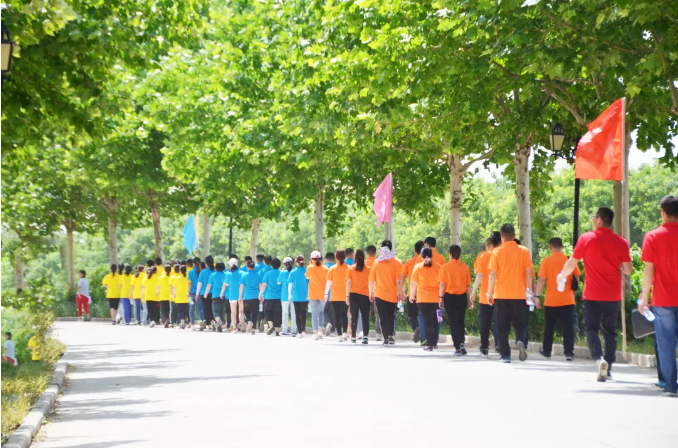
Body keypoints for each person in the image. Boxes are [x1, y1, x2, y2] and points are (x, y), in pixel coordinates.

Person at [558, 207, 632, 381]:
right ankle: (609, 366)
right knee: (610, 331)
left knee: (591, 328)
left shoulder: (586, 238)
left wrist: (562, 275)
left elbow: (572, 262)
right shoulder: (621, 242)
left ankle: (599, 359)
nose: (592, 220)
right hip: (613, 295)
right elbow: (628, 270)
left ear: (599, 219)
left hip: (592, 294)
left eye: (594, 217)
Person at [637, 196, 678, 396]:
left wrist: (644, 296)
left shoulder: (653, 237)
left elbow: (649, 269)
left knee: (666, 344)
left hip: (663, 299)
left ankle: (670, 386)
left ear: (662, 212)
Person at [486, 224, 535, 363]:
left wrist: (489, 292)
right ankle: (520, 341)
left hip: (501, 294)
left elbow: (493, 273)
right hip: (519, 293)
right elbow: (529, 272)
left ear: (502, 237)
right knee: (520, 323)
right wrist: (529, 290)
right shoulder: (524, 251)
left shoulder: (497, 252)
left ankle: (505, 355)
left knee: (502, 325)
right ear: (514, 236)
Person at [535, 238, 581, 361]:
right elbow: (577, 276)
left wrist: (537, 296)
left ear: (550, 248)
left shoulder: (546, 261)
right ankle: (569, 353)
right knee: (568, 327)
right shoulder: (569, 260)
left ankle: (547, 350)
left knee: (549, 327)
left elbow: (541, 280)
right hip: (568, 299)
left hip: (551, 300)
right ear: (562, 247)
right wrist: (573, 293)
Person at [369, 241, 405, 346]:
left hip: (379, 294)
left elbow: (371, 280)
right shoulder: (394, 263)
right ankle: (390, 336)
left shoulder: (376, 263)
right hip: (392, 295)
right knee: (391, 316)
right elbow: (398, 281)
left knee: (382, 316)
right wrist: (401, 293)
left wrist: (371, 293)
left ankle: (385, 338)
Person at [470, 233, 501, 355]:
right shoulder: (502, 254)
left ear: (490, 244)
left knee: (484, 322)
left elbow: (479, 275)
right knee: (500, 321)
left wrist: (473, 291)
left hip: (485, 295)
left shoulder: (483, 256)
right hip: (500, 294)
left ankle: (484, 347)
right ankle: (499, 346)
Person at [439, 244, 472, 356]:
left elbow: (442, 284)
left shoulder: (444, 267)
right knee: (460, 320)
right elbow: (468, 285)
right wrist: (471, 298)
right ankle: (462, 343)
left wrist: (440, 298)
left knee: (453, 322)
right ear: (460, 254)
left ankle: (457, 347)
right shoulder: (465, 267)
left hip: (449, 297)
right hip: (462, 297)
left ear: (449, 254)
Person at [409, 247, 442, 351]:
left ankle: (430, 344)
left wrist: (411, 295)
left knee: (427, 321)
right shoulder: (439, 267)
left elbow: (413, 283)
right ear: (432, 256)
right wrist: (442, 297)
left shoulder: (417, 267)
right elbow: (442, 283)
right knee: (436, 320)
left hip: (422, 299)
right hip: (437, 299)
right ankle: (435, 343)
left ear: (421, 256)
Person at [347, 249, 372, 344]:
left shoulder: (351, 269)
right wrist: (371, 293)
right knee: (365, 316)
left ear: (355, 257)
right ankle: (365, 336)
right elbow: (371, 283)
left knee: (354, 316)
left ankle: (353, 336)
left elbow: (348, 282)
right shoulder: (369, 269)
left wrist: (346, 296)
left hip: (353, 295)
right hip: (365, 295)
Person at [401, 241, 424, 342]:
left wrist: (401, 290)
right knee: (424, 316)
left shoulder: (409, 262)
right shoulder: (428, 262)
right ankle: (422, 332)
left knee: (412, 316)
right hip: (424, 293)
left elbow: (402, 278)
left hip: (411, 293)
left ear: (415, 251)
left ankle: (416, 328)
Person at [325, 249, 350, 341]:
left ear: (336, 257)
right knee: (344, 314)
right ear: (345, 257)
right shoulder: (349, 268)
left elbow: (328, 282)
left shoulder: (332, 269)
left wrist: (326, 293)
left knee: (337, 315)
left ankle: (339, 335)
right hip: (345, 295)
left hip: (335, 296)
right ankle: (345, 333)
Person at [306, 250, 329, 340]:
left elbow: (307, 276)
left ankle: (315, 332)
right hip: (322, 294)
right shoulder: (326, 268)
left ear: (312, 259)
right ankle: (320, 331)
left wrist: (310, 265)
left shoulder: (310, 267)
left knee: (314, 313)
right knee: (321, 312)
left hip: (313, 294)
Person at [260, 258, 283, 336]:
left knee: (268, 312)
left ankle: (271, 326)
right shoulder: (281, 273)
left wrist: (260, 293)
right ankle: (277, 330)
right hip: (279, 296)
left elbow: (264, 284)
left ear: (271, 265)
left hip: (269, 296)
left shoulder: (268, 273)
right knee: (278, 313)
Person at [288, 255, 309, 338]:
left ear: (296, 262)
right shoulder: (307, 271)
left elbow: (290, 284)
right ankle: (303, 331)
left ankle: (299, 332)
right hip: (305, 296)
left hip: (296, 296)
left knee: (297, 314)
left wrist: (289, 295)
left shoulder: (292, 272)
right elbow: (309, 283)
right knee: (304, 313)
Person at [239, 260, 261, 334]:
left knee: (246, 311)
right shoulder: (258, 275)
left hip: (247, 297)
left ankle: (249, 321)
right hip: (256, 296)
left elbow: (242, 286)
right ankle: (254, 328)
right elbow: (260, 285)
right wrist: (261, 294)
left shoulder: (244, 275)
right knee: (255, 312)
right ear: (254, 267)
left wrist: (240, 296)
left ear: (247, 266)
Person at [205, 261, 227, 331]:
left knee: (216, 312)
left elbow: (209, 285)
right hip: (224, 295)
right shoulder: (226, 274)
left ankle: (219, 322)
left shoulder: (213, 275)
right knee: (222, 312)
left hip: (215, 295)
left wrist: (206, 293)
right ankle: (222, 324)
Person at [224, 258, 244, 333]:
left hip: (232, 295)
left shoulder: (228, 274)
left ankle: (234, 328)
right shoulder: (242, 273)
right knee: (241, 311)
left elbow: (226, 283)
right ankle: (241, 324)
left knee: (233, 312)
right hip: (241, 295)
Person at [196, 256, 216, 331]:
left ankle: (207, 323)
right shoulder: (214, 272)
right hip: (213, 293)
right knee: (212, 308)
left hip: (203, 293)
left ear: (206, 263)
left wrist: (197, 294)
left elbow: (199, 284)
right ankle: (213, 321)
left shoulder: (202, 272)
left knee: (205, 308)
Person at [278, 257, 297, 336]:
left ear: (284, 264)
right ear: (292, 263)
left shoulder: (283, 273)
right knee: (294, 314)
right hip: (294, 296)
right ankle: (293, 331)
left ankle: (285, 331)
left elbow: (279, 282)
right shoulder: (295, 271)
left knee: (285, 313)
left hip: (285, 296)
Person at [323, 251, 336, 335]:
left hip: (324, 293)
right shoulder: (336, 268)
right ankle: (333, 332)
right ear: (334, 259)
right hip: (335, 294)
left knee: (323, 311)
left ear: (326, 259)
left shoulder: (323, 268)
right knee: (333, 313)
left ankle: (327, 323)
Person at [187, 258, 202, 327]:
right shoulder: (202, 271)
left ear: (193, 263)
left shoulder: (190, 272)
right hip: (199, 293)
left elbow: (189, 283)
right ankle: (202, 321)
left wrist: (188, 292)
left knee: (191, 309)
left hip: (192, 293)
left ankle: (192, 324)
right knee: (200, 308)